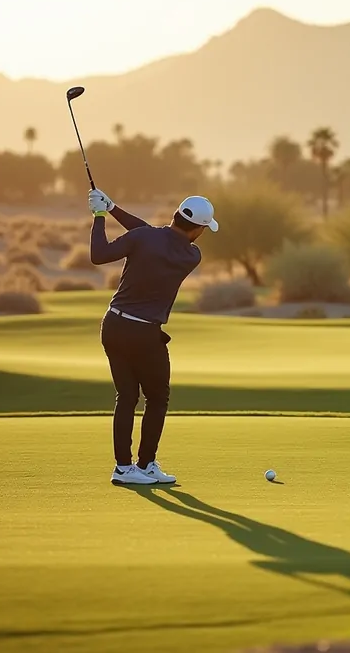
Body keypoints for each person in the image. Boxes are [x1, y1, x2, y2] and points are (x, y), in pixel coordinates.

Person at [87, 188, 218, 485]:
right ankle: (145, 465)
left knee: (127, 397)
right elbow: (150, 236)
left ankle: (123, 468)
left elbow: (101, 254)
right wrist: (112, 209)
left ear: (176, 215)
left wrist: (102, 214)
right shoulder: (191, 255)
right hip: (144, 333)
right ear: (197, 229)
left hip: (113, 325)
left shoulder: (145, 238)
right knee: (157, 398)